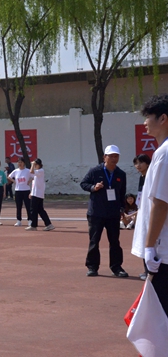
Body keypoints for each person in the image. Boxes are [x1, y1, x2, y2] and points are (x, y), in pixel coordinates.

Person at [131, 95, 168, 317]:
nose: (145, 122)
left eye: (148, 117)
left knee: (159, 315)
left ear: (163, 119)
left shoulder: (164, 154)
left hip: (162, 251)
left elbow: (161, 204)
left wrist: (150, 246)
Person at [80, 144, 128, 277]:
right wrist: (93, 187)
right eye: (111, 156)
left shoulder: (121, 174)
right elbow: (83, 184)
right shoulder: (95, 171)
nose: (114, 159)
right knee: (94, 241)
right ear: (104, 157)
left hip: (113, 213)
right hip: (96, 212)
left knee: (115, 241)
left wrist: (122, 208)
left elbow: (122, 193)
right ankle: (92, 267)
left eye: (116, 156)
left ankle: (116, 267)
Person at [26, 158, 55, 232]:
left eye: (36, 164)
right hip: (36, 193)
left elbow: (31, 171)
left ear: (39, 165)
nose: (35, 166)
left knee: (33, 210)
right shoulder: (37, 173)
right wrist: (31, 193)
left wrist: (32, 164)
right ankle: (48, 224)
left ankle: (33, 225)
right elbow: (34, 184)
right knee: (40, 210)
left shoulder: (40, 171)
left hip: (38, 194)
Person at [8, 158, 32, 227]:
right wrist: (14, 181)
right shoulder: (16, 171)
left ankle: (30, 220)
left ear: (24, 163)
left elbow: (34, 176)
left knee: (28, 206)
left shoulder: (27, 171)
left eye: (21, 162)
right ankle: (19, 220)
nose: (20, 163)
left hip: (26, 190)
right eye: (19, 162)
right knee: (18, 206)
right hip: (18, 190)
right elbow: (9, 177)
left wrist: (29, 181)